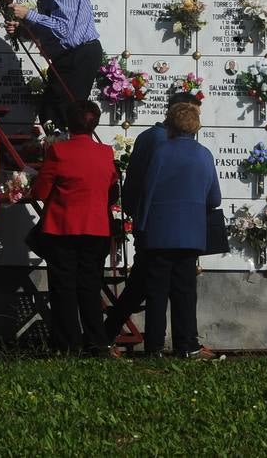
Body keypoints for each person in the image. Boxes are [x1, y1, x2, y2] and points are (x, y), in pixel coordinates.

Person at [105, 91, 202, 342]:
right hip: (159, 227)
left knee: (141, 284)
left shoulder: (148, 136)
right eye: (191, 113)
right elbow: (152, 186)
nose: (194, 120)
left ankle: (107, 333)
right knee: (162, 288)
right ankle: (167, 342)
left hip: (149, 223)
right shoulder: (165, 142)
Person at [29, 100, 117, 356]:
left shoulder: (59, 152)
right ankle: (96, 341)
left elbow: (41, 191)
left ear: (69, 123)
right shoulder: (106, 153)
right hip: (96, 228)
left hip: (62, 229)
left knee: (64, 288)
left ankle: (67, 343)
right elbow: (110, 189)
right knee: (90, 287)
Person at [136, 101, 221, 358]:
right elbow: (214, 199)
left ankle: (154, 347)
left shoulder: (161, 151)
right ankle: (187, 345)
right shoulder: (204, 155)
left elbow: (147, 191)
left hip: (159, 232)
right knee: (185, 292)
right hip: (191, 235)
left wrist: (140, 225)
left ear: (170, 124)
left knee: (157, 292)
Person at [7, 0, 104, 131]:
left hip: (80, 55)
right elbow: (49, 29)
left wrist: (29, 14)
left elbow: (64, 29)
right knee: (49, 111)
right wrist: (22, 30)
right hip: (65, 57)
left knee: (66, 113)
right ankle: (58, 151)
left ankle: (70, 152)